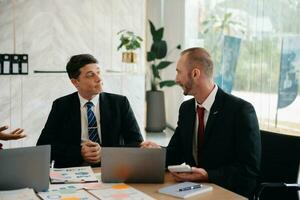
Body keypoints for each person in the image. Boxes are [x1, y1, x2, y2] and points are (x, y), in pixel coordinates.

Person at [142, 47, 261, 198]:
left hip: (227, 192)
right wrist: (157, 151)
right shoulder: (186, 109)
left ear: (195, 74)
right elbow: (175, 153)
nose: (176, 79)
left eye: (179, 72)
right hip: (194, 190)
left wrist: (208, 175)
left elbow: (248, 170)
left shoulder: (240, 111)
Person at [37, 54, 143, 167]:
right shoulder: (61, 105)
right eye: (90, 75)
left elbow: (136, 142)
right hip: (74, 169)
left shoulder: (119, 103)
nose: (99, 79)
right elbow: (43, 146)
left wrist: (104, 152)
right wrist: (79, 152)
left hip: (111, 167)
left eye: (98, 72)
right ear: (75, 82)